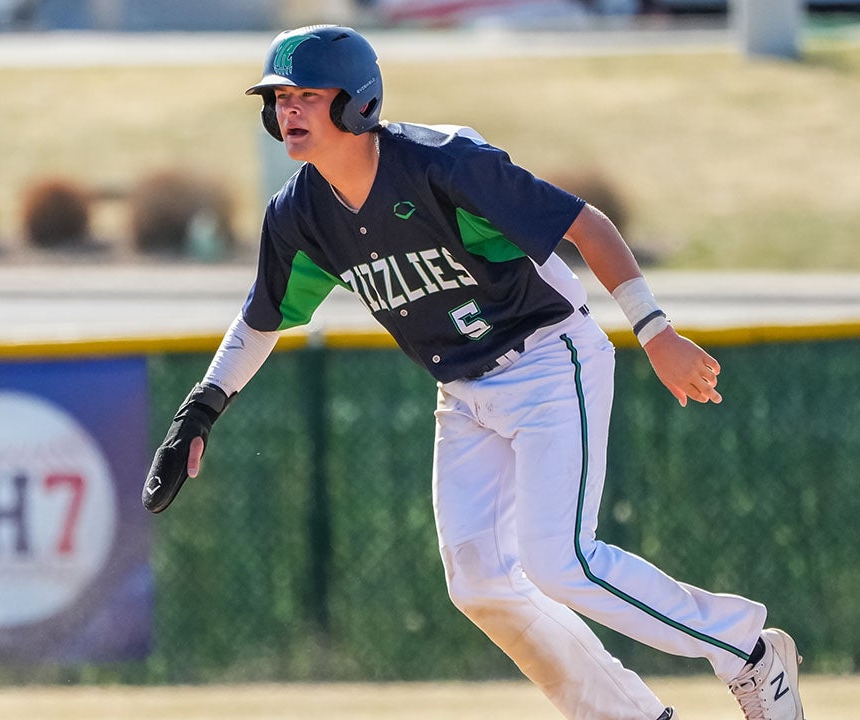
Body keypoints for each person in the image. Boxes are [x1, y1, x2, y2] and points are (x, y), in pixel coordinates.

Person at [143, 25, 806, 720]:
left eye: (307, 94)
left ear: (356, 102)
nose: (288, 110)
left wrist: (655, 330)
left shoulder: (444, 164)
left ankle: (747, 651)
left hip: (549, 358)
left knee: (561, 561)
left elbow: (587, 225)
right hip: (463, 391)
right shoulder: (299, 215)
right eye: (279, 98)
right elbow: (261, 319)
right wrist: (200, 409)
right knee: (479, 582)